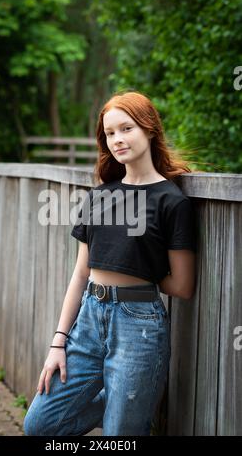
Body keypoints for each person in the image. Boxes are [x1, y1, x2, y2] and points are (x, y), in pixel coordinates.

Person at [23, 90, 197, 436]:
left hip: (138, 324)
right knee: (40, 425)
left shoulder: (172, 202)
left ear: (149, 129)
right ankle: (119, 395)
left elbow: (183, 286)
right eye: (110, 133)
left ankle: (131, 399)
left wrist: (139, 270)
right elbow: (80, 273)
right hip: (89, 318)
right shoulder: (99, 196)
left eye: (126, 128)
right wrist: (58, 343)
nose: (117, 139)